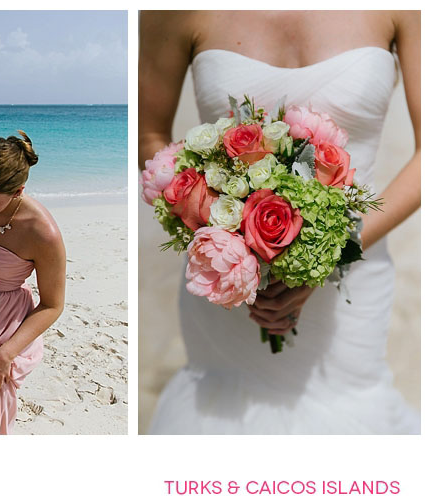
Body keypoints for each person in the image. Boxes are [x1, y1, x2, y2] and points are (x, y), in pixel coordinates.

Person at [139, 10, 420, 434]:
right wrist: (235, 244)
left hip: (354, 275)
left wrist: (331, 252)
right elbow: (149, 136)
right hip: (229, 279)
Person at [0, 132, 67, 434]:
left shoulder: (42, 233)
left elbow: (52, 304)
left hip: (2, 321)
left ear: (18, 191)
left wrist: (5, 354)